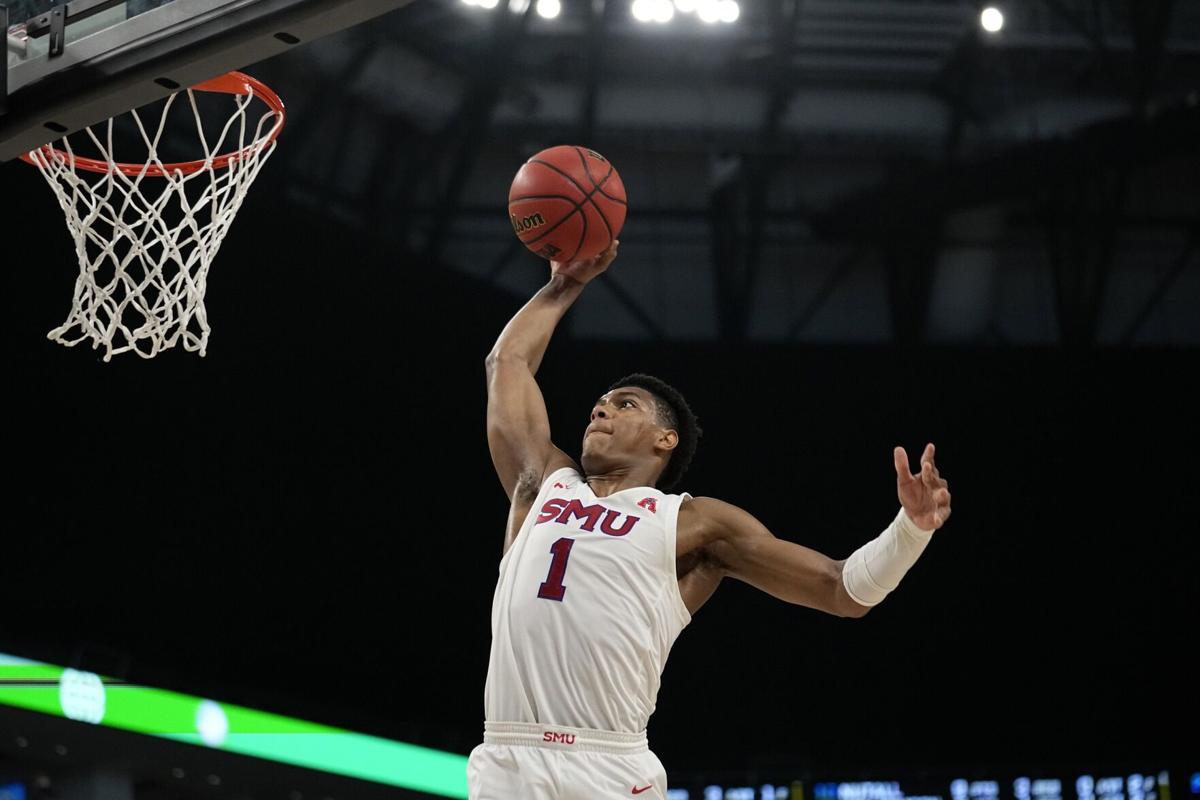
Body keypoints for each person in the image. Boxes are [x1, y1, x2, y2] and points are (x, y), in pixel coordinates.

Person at [467, 241, 953, 799]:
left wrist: (911, 529)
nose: (600, 408)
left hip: (606, 765)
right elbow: (506, 364)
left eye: (625, 404)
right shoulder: (541, 484)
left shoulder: (692, 523)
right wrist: (563, 285)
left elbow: (841, 590)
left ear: (664, 439)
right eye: (600, 402)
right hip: (506, 755)